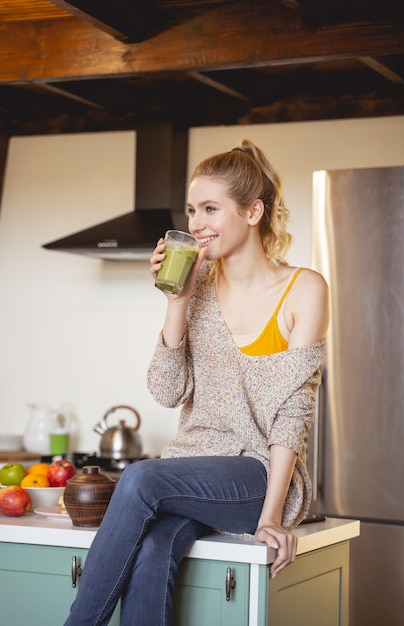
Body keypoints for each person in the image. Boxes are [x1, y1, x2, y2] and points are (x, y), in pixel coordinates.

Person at [63, 139, 329, 626]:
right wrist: (177, 301)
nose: (196, 223)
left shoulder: (304, 289)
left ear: (253, 212)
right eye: (191, 210)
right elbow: (167, 392)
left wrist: (271, 518)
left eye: (210, 208)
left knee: (140, 476)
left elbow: (294, 414)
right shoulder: (197, 287)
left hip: (257, 475)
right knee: (153, 547)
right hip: (189, 471)